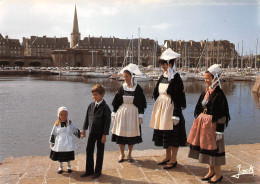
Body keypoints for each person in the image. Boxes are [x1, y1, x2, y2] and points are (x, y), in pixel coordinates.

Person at [187, 64, 230, 183]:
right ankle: (211, 171)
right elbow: (198, 108)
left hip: (214, 127)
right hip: (205, 126)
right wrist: (200, 118)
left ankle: (219, 174)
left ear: (215, 79)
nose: (206, 81)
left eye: (208, 78)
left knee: (215, 151)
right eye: (205, 78)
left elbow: (223, 114)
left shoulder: (219, 95)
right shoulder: (206, 93)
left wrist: (219, 131)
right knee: (207, 150)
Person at [150, 48, 187, 170]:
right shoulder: (162, 76)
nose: (162, 67)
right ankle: (167, 156)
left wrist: (176, 114)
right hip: (162, 108)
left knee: (173, 134)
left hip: (171, 109)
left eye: (164, 65)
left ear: (170, 64)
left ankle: (173, 159)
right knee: (165, 134)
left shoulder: (176, 78)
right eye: (162, 65)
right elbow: (157, 91)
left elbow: (178, 97)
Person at [111, 63, 147, 163]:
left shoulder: (138, 89)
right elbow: (116, 102)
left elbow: (142, 103)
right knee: (121, 134)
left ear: (132, 76)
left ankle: (129, 154)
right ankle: (121, 154)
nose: (125, 78)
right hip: (122, 113)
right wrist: (114, 113)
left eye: (127, 76)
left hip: (133, 113)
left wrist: (141, 114)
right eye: (124, 77)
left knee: (132, 135)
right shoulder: (122, 88)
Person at [80, 84, 111, 179]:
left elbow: (107, 123)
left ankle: (98, 171)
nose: (94, 97)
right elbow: (87, 118)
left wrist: (105, 135)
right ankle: (89, 170)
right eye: (93, 95)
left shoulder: (106, 108)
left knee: (99, 152)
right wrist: (84, 129)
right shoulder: (91, 105)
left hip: (101, 133)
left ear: (102, 95)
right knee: (89, 150)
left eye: (96, 95)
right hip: (91, 132)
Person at [49, 106, 81, 174]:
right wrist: (52, 142)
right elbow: (53, 132)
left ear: (67, 115)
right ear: (58, 115)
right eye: (62, 115)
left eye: (65, 115)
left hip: (68, 141)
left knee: (68, 154)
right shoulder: (56, 124)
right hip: (59, 142)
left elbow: (74, 129)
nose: (63, 116)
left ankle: (69, 166)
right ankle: (60, 167)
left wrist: (80, 133)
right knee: (60, 154)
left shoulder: (70, 123)